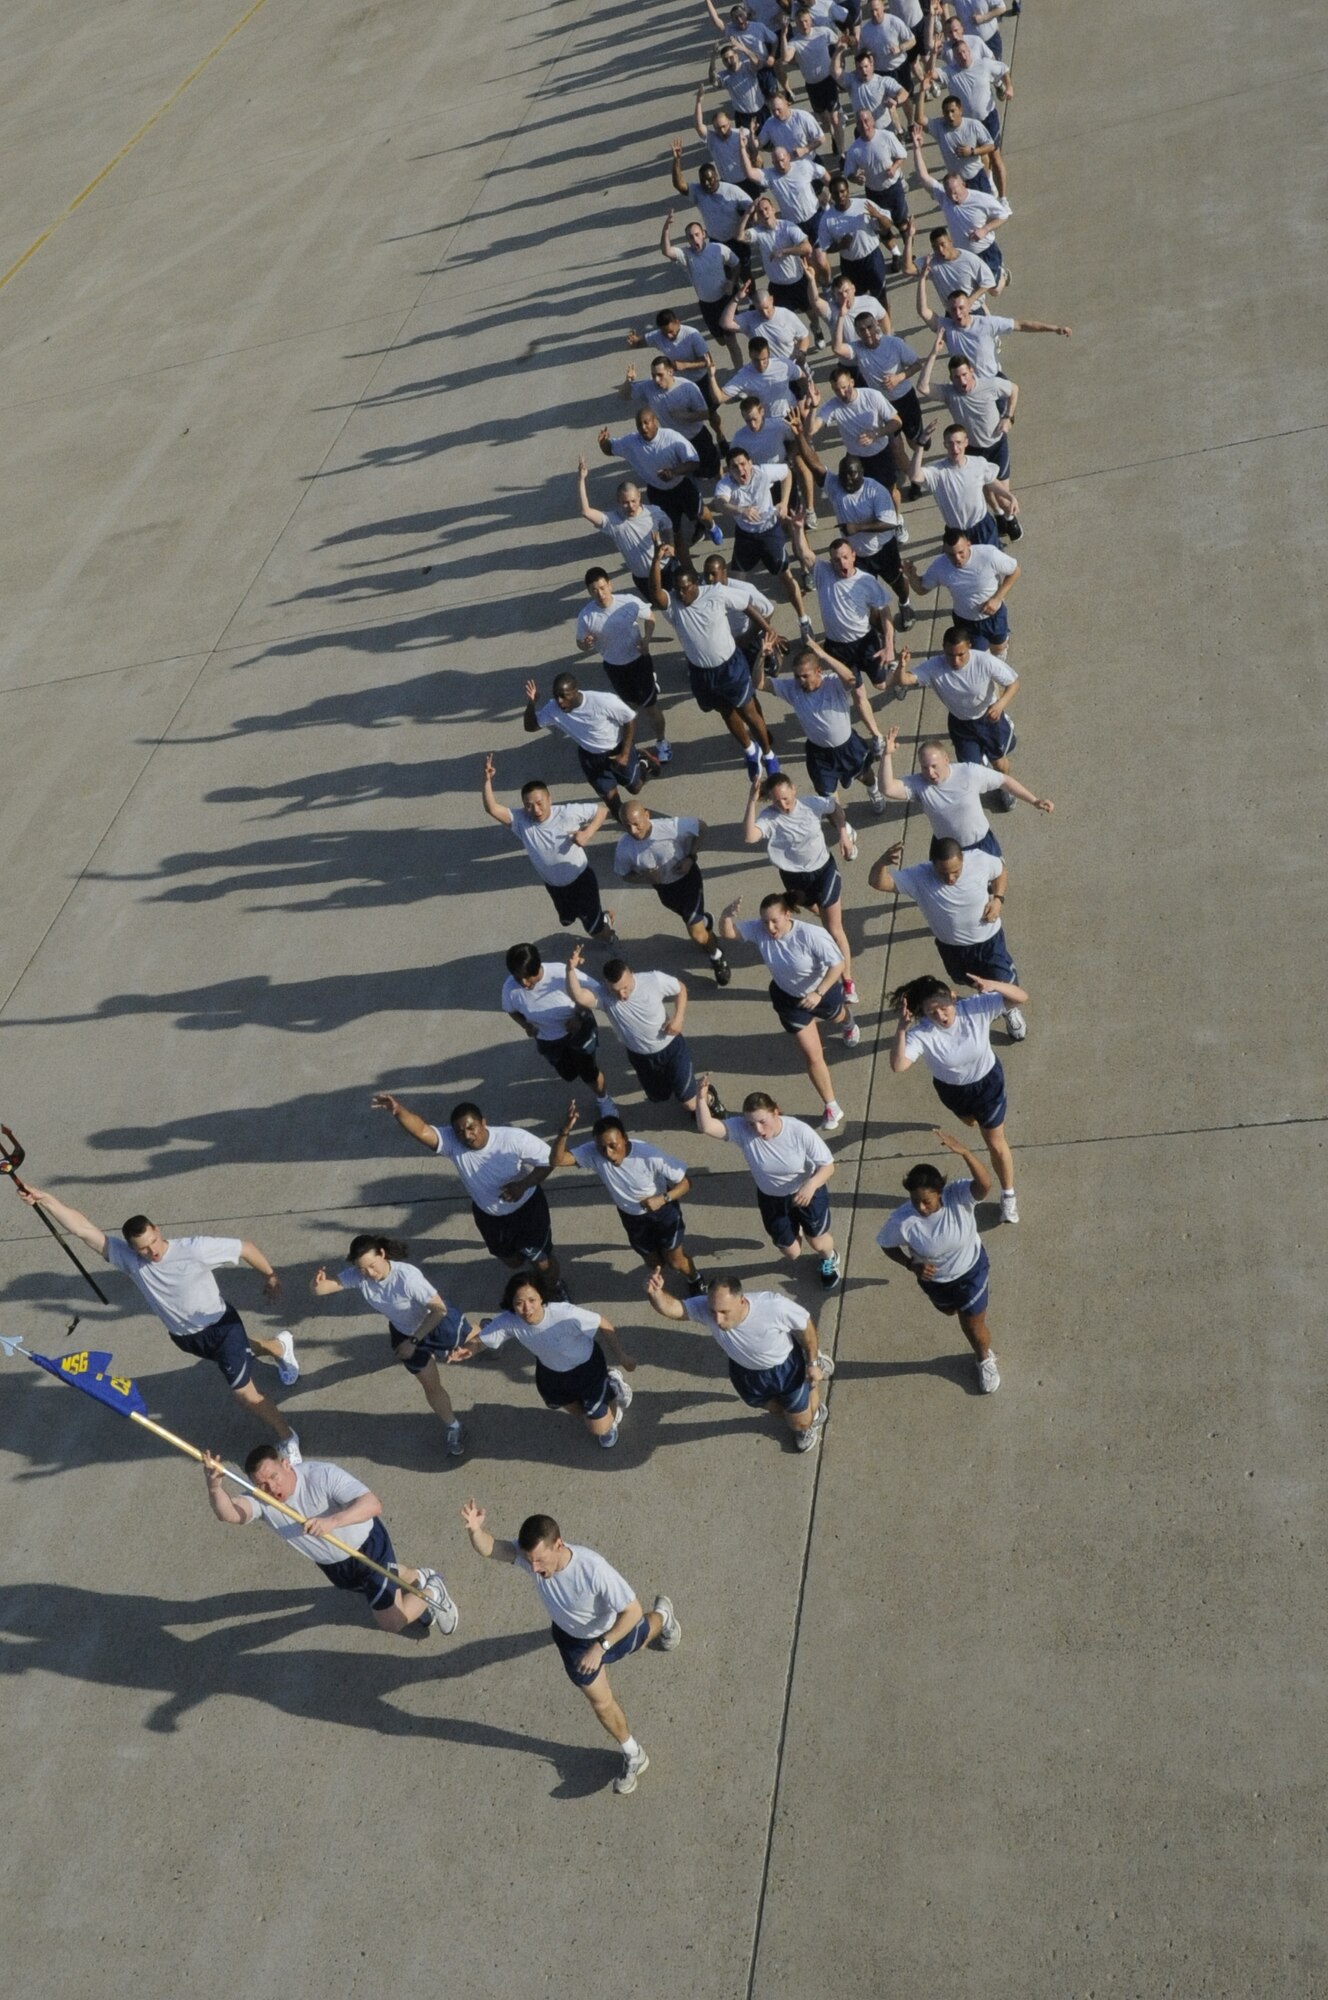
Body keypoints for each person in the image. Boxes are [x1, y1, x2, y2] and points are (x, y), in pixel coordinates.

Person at [16, 1187, 299, 1450]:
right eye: (143, 1248)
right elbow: (82, 1229)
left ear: (158, 1230)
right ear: (131, 1248)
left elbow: (244, 1247)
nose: (152, 1252)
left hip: (222, 1328)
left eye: (154, 1241)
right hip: (187, 1339)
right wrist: (44, 1198)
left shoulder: (194, 1249)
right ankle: (279, 1347)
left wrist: (271, 1276)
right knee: (244, 1354)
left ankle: (287, 1436)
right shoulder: (129, 1260)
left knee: (244, 1395)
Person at [460, 1501, 679, 1796]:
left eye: (539, 1560)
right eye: (529, 1560)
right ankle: (633, 1753)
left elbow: (631, 1610)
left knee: (643, 1635)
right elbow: (492, 1548)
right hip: (573, 1642)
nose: (534, 1568)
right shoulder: (532, 1559)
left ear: (558, 1544)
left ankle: (664, 1616)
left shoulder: (593, 1569)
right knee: (601, 1703)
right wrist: (476, 1530)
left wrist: (601, 1647)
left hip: (612, 1632)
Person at [202, 1445, 457, 1633]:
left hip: (368, 1548)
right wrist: (215, 1488)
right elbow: (230, 1514)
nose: (270, 1488)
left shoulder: (321, 1475)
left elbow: (373, 1505)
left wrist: (331, 1522)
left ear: (286, 1464)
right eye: (262, 1484)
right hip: (336, 1567)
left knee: (392, 1621)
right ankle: (420, 1578)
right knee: (392, 1577)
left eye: (273, 1477)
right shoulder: (262, 1499)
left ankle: (434, 1590)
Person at [371, 1095, 565, 1293]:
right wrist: (398, 1110)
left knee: (542, 1262)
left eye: (472, 1128)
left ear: (484, 1122)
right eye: (460, 1131)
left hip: (527, 1211)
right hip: (489, 1217)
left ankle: (555, 1287)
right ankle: (527, 1256)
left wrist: (523, 1185)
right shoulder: (453, 1143)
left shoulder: (514, 1139)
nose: (467, 1135)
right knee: (513, 1262)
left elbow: (550, 1160)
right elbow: (421, 1130)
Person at [309, 1235, 471, 1454]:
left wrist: (413, 1341)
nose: (369, 1273)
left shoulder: (407, 1277)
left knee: (473, 1342)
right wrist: (315, 1284)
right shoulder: (360, 1276)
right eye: (362, 1269)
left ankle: (488, 1332)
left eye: (372, 1266)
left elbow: (439, 1310)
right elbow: (321, 1289)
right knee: (430, 1385)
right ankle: (453, 1426)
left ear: (382, 1254)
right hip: (405, 1333)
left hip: (437, 1323)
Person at [645, 1269, 834, 1451]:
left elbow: (806, 1326)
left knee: (800, 1423)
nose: (717, 1320)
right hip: (745, 1374)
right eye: (713, 1311)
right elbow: (675, 1309)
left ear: (742, 1301)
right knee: (777, 1409)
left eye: (724, 1312)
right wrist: (656, 1294)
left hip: (786, 1370)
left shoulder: (773, 1306)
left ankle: (812, 1396)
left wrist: (812, 1363)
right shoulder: (708, 1308)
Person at [888, 973, 1026, 1221]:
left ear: (953, 996)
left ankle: (1008, 1196)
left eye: (943, 1008)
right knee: (969, 1121)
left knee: (994, 1141)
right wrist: (901, 1029)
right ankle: (973, 1118)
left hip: (988, 1085)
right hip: (953, 1092)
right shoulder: (922, 1033)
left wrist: (992, 985)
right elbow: (898, 1065)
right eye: (932, 1013)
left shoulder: (975, 1007)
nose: (941, 1016)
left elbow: (1021, 997)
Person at [719, 891, 859, 1133]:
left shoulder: (810, 935)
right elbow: (729, 933)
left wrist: (819, 993)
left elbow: (838, 964)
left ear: (787, 913)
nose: (770, 927)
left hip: (821, 993)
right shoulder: (759, 930)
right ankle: (831, 1105)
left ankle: (849, 1024)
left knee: (838, 1016)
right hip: (789, 999)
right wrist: (725, 916)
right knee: (812, 1056)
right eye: (765, 921)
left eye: (775, 920)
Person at [876, 1130, 1002, 1392]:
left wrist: (966, 1153)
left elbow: (985, 1186)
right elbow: (886, 1244)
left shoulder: (958, 1195)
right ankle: (962, 1316)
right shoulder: (902, 1220)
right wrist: (911, 1265)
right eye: (915, 1201)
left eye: (926, 1201)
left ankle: (984, 1358)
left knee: (972, 1324)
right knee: (948, 1311)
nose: (920, 1208)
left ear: (940, 1192)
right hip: (936, 1282)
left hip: (971, 1272)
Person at [646, 540, 782, 778]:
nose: (680, 593)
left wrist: (767, 630)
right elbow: (656, 594)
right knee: (726, 713)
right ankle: (750, 751)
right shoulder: (674, 606)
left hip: (730, 667)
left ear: (695, 585)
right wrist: (656, 560)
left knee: (749, 711)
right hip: (702, 674)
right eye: (677, 589)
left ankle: (769, 755)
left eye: (685, 588)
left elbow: (748, 605)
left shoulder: (716, 593)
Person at [455, 1272, 636, 1450]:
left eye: (532, 1300)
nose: (527, 1309)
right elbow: (480, 1340)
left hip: (587, 1369)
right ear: (512, 1304)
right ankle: (602, 1403)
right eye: (519, 1303)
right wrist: (469, 1349)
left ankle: (612, 1389)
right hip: (551, 1373)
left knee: (600, 1429)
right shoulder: (509, 1321)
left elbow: (602, 1322)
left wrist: (622, 1356)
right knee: (577, 1410)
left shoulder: (564, 1313)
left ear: (541, 1297)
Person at [869, 835, 1026, 1033]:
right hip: (952, 949)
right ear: (931, 864)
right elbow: (877, 882)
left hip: (989, 943)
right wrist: (882, 863)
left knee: (1007, 985)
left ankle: (1009, 1010)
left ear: (962, 859)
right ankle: (991, 1000)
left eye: (956, 872)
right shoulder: (919, 876)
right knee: (964, 979)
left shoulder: (979, 860)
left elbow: (1001, 871)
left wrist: (998, 899)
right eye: (943, 873)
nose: (950, 878)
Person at [695, 1086, 841, 1287]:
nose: (757, 1129)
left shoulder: (799, 1131)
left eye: (762, 1121)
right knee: (792, 1252)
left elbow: (828, 1166)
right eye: (751, 1123)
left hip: (807, 1193)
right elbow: (707, 1127)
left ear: (776, 1112)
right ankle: (794, 1227)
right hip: (772, 1199)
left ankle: (829, 1259)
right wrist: (701, 1099)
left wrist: (811, 1185)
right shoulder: (743, 1130)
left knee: (817, 1241)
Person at [550, 1104, 705, 1291]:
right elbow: (556, 1160)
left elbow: (686, 1182)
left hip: (663, 1213)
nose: (607, 1153)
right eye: (602, 1147)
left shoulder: (649, 1155)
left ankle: (695, 1278)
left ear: (625, 1138)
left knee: (675, 1262)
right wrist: (565, 1130)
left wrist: (662, 1199)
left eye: (613, 1146)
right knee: (654, 1262)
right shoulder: (593, 1152)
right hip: (632, 1218)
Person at [742, 769, 858, 999]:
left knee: (833, 928)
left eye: (786, 798)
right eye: (777, 801)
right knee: (817, 911)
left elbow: (835, 808)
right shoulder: (769, 817)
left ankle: (847, 982)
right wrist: (751, 801)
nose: (783, 805)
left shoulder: (811, 804)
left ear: (794, 789)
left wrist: (843, 834)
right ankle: (824, 913)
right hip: (793, 879)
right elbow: (750, 836)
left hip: (823, 872)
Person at [565, 945, 717, 1118]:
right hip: (641, 1058)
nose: (622, 995)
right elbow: (578, 996)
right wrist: (570, 969)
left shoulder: (653, 980)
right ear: (606, 985)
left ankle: (709, 1098)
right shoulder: (604, 997)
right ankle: (687, 1093)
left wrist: (678, 1018)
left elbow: (680, 988)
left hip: (672, 1048)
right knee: (659, 1096)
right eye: (615, 991)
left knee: (689, 1104)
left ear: (631, 973)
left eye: (625, 987)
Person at [480, 758, 617, 943]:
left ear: (549, 799)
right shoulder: (521, 821)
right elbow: (492, 808)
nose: (535, 809)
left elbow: (601, 811)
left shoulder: (567, 813)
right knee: (567, 919)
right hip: (554, 886)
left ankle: (608, 934)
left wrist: (588, 833)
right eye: (528, 805)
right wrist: (487, 780)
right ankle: (596, 918)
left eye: (539, 803)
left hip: (581, 881)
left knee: (594, 931)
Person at [758, 637, 887, 810]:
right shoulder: (792, 689)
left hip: (847, 746)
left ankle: (873, 789)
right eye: (797, 676)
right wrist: (761, 657)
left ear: (818, 671)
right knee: (828, 801)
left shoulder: (833, 683)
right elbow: (758, 683)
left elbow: (851, 680)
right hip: (819, 755)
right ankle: (843, 827)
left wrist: (823, 655)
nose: (800, 680)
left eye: (805, 676)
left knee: (865, 775)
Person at [613, 800, 731, 983]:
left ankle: (717, 956)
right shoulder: (624, 847)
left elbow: (702, 827)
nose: (633, 831)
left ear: (647, 815)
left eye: (637, 824)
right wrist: (646, 878)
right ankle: (705, 921)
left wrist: (691, 857)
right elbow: (624, 875)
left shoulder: (671, 827)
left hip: (689, 881)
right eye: (627, 826)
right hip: (665, 892)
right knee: (693, 921)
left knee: (697, 934)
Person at [878, 729, 1053, 853]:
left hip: (981, 844)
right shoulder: (918, 784)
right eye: (924, 767)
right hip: (946, 851)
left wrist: (1034, 800)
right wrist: (886, 755)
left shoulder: (969, 772)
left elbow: (1004, 781)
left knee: (993, 880)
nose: (929, 773)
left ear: (946, 759)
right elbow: (888, 788)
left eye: (934, 766)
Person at [883, 627, 1020, 772]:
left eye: (961, 654)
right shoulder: (933, 667)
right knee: (970, 770)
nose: (955, 660)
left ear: (969, 646)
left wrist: (1000, 705)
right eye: (950, 655)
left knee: (998, 762)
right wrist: (901, 668)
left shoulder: (984, 662)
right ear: (943, 648)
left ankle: (1004, 790)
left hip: (988, 719)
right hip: (961, 724)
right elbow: (905, 680)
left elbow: (1014, 683)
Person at [500, 941, 615, 1112]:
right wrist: (525, 1025)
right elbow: (511, 1010)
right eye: (518, 977)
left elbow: (597, 991)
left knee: (588, 1074)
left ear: (537, 967)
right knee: (569, 1074)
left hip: (578, 1033)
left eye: (527, 976)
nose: (523, 983)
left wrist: (580, 1016)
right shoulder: (510, 987)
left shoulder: (560, 973)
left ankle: (604, 1100)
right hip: (549, 1041)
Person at [523, 674, 647, 820]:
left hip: (618, 749)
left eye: (564, 696)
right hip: (591, 759)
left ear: (576, 691)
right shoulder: (553, 708)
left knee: (635, 788)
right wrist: (531, 703)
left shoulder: (603, 701)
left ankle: (644, 762)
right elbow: (530, 726)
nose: (560, 702)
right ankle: (629, 833)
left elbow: (629, 719)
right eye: (556, 697)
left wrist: (625, 754)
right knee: (613, 803)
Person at [575, 567, 670, 757]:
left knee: (650, 705)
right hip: (614, 668)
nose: (600, 594)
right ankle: (629, 744)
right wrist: (585, 644)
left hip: (638, 662)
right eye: (594, 590)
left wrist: (647, 639)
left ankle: (662, 742)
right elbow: (580, 643)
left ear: (610, 584)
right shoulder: (586, 616)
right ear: (588, 591)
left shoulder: (628, 602)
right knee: (629, 707)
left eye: (602, 587)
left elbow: (650, 616)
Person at [711, 445, 810, 624]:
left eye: (743, 464)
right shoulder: (725, 484)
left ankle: (803, 620)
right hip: (746, 536)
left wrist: (784, 502)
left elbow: (787, 473)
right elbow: (719, 504)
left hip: (769, 532)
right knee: (735, 582)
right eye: (735, 467)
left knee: (785, 575)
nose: (741, 469)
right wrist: (740, 510)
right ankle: (740, 625)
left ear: (750, 463)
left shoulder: (763, 472)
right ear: (729, 471)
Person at [598, 408, 720, 548]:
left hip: (681, 485)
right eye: (639, 424)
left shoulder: (671, 437)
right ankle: (677, 557)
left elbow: (694, 462)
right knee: (672, 528)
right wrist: (603, 443)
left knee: (701, 513)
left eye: (646, 423)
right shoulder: (631, 442)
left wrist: (673, 472)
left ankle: (712, 527)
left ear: (654, 421)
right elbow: (610, 449)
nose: (643, 428)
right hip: (658, 492)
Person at [916, 285, 1073, 382]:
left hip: (992, 380)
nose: (957, 313)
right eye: (953, 309)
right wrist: (922, 278)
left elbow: (1021, 325)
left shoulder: (986, 323)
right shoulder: (946, 327)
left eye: (961, 308)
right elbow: (923, 311)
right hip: (968, 388)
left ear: (969, 307)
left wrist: (1054, 328)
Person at [901, 526, 1019, 654]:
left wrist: (997, 598)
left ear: (969, 544)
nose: (957, 558)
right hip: (965, 621)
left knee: (999, 649)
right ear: (945, 551)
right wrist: (911, 576)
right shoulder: (940, 566)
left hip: (994, 616)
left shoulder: (989, 555)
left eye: (961, 552)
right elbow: (922, 589)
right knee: (976, 655)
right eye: (951, 554)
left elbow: (1015, 571)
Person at [620, 343, 728, 479]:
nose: (656, 380)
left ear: (670, 372)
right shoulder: (648, 387)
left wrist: (685, 416)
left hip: (696, 438)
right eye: (653, 376)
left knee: (713, 469)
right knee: (685, 475)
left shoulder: (688, 388)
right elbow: (623, 396)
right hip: (672, 442)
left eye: (660, 375)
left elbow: (707, 414)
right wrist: (628, 381)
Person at [807, 535, 897, 690]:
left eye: (845, 557)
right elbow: (804, 553)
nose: (842, 562)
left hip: (864, 642)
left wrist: (888, 644)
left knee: (880, 685)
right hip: (837, 646)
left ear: (853, 555)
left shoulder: (867, 581)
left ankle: (895, 672)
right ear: (831, 562)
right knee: (855, 688)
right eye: (836, 560)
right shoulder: (824, 573)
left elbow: (885, 611)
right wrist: (797, 528)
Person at [575, 462, 673, 600]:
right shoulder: (613, 522)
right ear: (618, 501)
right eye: (625, 502)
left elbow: (667, 526)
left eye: (633, 501)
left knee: (677, 602)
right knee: (658, 605)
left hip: (666, 569)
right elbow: (586, 512)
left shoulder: (654, 512)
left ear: (639, 496)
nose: (630, 506)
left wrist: (670, 544)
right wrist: (581, 479)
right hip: (642, 578)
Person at [916, 348, 1017, 481]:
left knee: (1004, 500)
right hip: (972, 450)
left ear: (971, 371)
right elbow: (922, 387)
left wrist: (1008, 417)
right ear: (951, 378)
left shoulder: (990, 384)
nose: (962, 381)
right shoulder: (949, 393)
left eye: (964, 374)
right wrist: (934, 352)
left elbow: (1014, 389)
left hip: (996, 445)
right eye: (957, 377)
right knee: (988, 493)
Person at [909, 423, 1021, 540]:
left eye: (958, 442)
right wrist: (920, 444)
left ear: (966, 442)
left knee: (992, 558)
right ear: (945, 445)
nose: (955, 448)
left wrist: (1010, 496)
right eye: (950, 443)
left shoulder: (978, 463)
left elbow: (991, 481)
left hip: (982, 527)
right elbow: (914, 476)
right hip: (956, 533)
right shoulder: (937, 472)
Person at [922, 97, 1001, 198]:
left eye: (953, 111)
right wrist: (922, 91)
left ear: (960, 110)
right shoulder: (939, 127)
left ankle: (990, 180)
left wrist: (972, 151)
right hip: (958, 184)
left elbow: (991, 146)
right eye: (946, 112)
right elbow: (919, 118)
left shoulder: (973, 125)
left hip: (976, 178)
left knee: (987, 207)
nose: (950, 115)